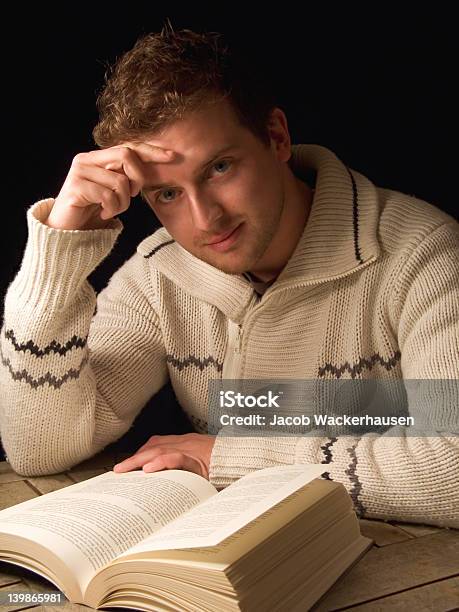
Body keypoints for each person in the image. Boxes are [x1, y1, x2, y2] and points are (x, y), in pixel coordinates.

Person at [1, 25, 458, 528]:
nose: (204, 220)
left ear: (277, 137)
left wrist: (225, 459)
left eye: (219, 168)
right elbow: (39, 449)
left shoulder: (425, 256)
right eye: (167, 195)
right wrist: (56, 258)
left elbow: (451, 470)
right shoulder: (158, 275)